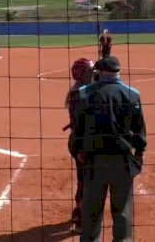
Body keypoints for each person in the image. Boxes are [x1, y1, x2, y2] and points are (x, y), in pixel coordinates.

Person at [73, 56, 146, 242]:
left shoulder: (84, 93)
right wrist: (139, 153)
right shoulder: (132, 94)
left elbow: (78, 130)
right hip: (122, 162)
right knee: (122, 213)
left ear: (101, 72)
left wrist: (80, 152)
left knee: (91, 214)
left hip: (94, 162)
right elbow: (139, 129)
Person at [64, 58, 96, 234]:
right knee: (89, 181)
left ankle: (79, 213)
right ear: (83, 74)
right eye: (90, 71)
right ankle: (81, 217)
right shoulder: (80, 94)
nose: (93, 73)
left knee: (83, 179)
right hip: (83, 143)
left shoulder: (79, 91)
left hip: (79, 142)